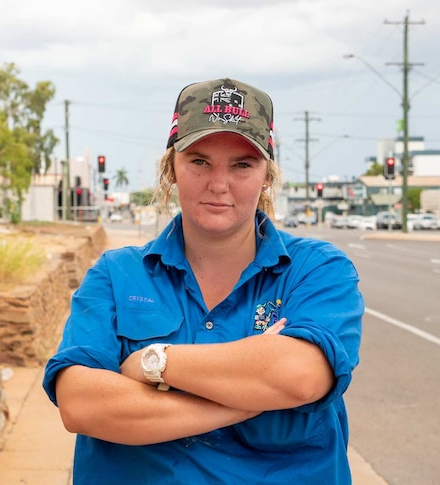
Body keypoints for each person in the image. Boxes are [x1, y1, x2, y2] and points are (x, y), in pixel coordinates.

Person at [43, 78, 364, 484]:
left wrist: (153, 361)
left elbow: (299, 375)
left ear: (267, 175)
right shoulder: (115, 275)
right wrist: (248, 400)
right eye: (199, 161)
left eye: (242, 165)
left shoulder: (317, 271)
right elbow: (82, 404)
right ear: (171, 169)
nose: (218, 184)